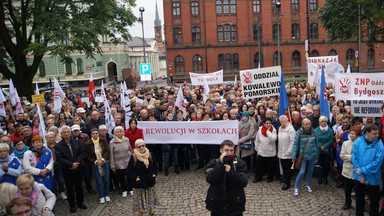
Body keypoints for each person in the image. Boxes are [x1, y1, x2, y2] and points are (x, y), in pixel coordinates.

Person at [205, 140, 248, 216]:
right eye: (226, 150)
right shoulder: (213, 163)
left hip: (235, 205)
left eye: (231, 150)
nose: (229, 153)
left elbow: (243, 182)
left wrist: (231, 172)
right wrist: (220, 165)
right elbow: (210, 179)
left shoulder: (240, 163)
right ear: (221, 150)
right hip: (216, 204)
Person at [352, 124, 384, 216]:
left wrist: (362, 171)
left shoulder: (379, 144)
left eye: (378, 133)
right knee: (359, 199)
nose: (377, 135)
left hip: (373, 178)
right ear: (367, 133)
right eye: (374, 133)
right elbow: (354, 157)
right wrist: (360, 175)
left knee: (374, 201)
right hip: (359, 177)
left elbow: (377, 162)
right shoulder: (358, 141)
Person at [55, 125, 87, 213]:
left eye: (67, 132)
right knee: (70, 188)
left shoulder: (76, 142)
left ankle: (80, 202)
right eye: (64, 132)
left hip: (78, 168)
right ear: (61, 134)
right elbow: (59, 158)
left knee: (79, 187)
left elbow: (82, 153)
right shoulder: (58, 146)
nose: (66, 134)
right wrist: (70, 164)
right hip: (67, 170)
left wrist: (76, 162)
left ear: (71, 133)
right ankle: (72, 205)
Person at [127, 139, 159, 216]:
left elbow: (155, 165)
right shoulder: (133, 157)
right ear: (136, 148)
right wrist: (135, 178)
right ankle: (140, 214)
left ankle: (151, 212)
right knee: (140, 201)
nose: (141, 148)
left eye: (143, 146)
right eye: (139, 146)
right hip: (140, 183)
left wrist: (154, 173)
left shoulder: (150, 155)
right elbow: (129, 171)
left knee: (150, 198)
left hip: (149, 181)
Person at [292, 118, 319, 197]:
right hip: (303, 156)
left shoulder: (314, 132)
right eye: (306, 124)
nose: (308, 125)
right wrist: (294, 156)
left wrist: (317, 154)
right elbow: (296, 145)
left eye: (309, 124)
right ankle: (296, 187)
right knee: (302, 171)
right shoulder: (299, 132)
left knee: (310, 170)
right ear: (303, 125)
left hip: (312, 155)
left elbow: (316, 143)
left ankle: (308, 185)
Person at [84, 128, 111, 204]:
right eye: (93, 133)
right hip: (95, 164)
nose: (95, 135)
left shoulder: (103, 140)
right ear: (91, 134)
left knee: (106, 179)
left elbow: (107, 151)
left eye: (96, 133)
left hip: (104, 162)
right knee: (98, 181)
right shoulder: (88, 143)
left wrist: (102, 159)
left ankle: (106, 194)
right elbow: (87, 155)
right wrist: (96, 161)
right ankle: (101, 195)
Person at [340, 126, 362, 210]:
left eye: (353, 134)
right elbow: (342, 155)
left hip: (357, 171)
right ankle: (347, 202)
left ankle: (359, 205)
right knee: (347, 189)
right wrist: (352, 157)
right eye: (350, 133)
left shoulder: (361, 144)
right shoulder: (346, 143)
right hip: (347, 169)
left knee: (358, 190)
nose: (351, 135)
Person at [110, 126, 133, 198]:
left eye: (120, 132)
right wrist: (112, 166)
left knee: (129, 176)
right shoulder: (112, 142)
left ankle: (130, 188)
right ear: (115, 133)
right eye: (117, 132)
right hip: (118, 162)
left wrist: (133, 160)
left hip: (127, 160)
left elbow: (130, 150)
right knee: (121, 177)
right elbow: (111, 154)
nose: (119, 133)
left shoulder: (127, 140)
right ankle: (124, 190)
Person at [254, 118, 277, 183]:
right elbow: (257, 140)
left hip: (271, 151)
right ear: (264, 124)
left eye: (269, 123)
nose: (268, 125)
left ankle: (270, 178)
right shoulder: (260, 129)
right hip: (261, 151)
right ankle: (258, 177)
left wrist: (268, 131)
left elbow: (273, 139)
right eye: (267, 123)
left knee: (271, 167)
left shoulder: (273, 129)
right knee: (260, 166)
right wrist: (257, 149)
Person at [46, 132, 67, 200]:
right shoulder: (45, 147)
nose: (51, 139)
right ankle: (54, 194)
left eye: (52, 137)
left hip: (59, 165)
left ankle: (62, 192)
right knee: (53, 180)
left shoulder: (59, 145)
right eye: (49, 138)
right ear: (46, 139)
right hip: (50, 167)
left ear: (55, 138)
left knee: (60, 180)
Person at [277, 115, 296, 190]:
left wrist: (289, 151)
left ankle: (287, 182)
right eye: (281, 122)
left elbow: (293, 141)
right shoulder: (280, 128)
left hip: (288, 153)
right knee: (283, 168)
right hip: (281, 151)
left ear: (287, 121)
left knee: (288, 168)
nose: (282, 123)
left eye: (283, 122)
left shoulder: (291, 130)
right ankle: (285, 179)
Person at [315, 116, 334, 185]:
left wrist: (325, 146)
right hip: (319, 150)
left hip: (327, 151)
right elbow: (316, 139)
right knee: (320, 165)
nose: (324, 123)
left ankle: (325, 177)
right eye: (322, 121)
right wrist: (320, 146)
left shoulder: (330, 130)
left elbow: (331, 139)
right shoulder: (316, 130)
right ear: (319, 122)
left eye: (325, 121)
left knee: (326, 165)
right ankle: (320, 177)